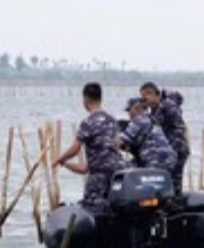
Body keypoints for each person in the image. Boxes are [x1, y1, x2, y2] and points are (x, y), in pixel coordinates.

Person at [53, 82, 130, 213]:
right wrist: (64, 163)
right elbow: (84, 168)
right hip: (118, 173)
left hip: (99, 176)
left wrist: (59, 158)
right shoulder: (112, 120)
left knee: (93, 210)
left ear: (85, 99)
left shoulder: (88, 122)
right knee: (113, 208)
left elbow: (75, 149)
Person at [139, 82, 189, 193]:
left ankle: (175, 204)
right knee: (166, 179)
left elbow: (180, 127)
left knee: (174, 180)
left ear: (152, 94)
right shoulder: (155, 109)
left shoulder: (168, 105)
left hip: (177, 149)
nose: (144, 102)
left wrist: (174, 149)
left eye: (145, 99)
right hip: (168, 151)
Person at [120, 97, 177, 175]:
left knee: (121, 168)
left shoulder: (138, 120)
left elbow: (121, 141)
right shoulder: (152, 120)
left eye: (129, 110)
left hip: (154, 159)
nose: (129, 114)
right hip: (170, 160)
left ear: (137, 108)